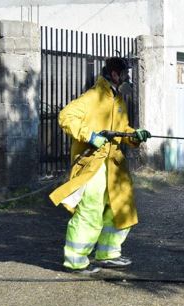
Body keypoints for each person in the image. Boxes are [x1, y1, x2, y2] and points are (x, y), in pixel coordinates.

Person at [49, 57, 151, 274]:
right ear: (115, 74)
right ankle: (75, 260)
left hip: (114, 166)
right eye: (125, 73)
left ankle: (108, 254)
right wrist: (90, 135)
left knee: (119, 208)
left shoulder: (118, 100)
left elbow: (122, 130)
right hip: (94, 163)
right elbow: (66, 116)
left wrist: (135, 136)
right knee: (91, 211)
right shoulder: (93, 97)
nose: (128, 78)